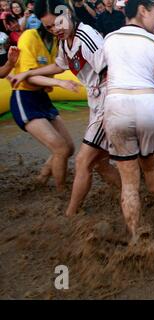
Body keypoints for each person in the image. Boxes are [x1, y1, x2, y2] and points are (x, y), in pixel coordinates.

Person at [11, 0, 121, 216]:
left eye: (58, 23)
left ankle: (70, 214)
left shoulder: (86, 36)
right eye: (50, 27)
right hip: (96, 102)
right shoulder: (64, 42)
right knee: (99, 163)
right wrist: (28, 73)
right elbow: (60, 65)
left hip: (107, 102)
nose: (55, 30)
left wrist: (112, 107)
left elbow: (111, 69)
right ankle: (130, 195)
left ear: (68, 13)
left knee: (82, 161)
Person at [103, 0, 154, 243]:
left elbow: (105, 77)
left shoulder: (109, 39)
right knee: (151, 166)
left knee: (129, 183)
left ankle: (134, 238)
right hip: (148, 104)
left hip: (116, 106)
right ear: (142, 10)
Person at [9, 21, 80, 192]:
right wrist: (59, 83)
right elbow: (27, 77)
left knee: (69, 148)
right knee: (61, 148)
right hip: (24, 97)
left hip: (42, 97)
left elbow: (55, 68)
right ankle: (61, 191)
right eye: (53, 25)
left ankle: (41, 178)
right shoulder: (29, 37)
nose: (58, 29)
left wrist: (52, 82)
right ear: (44, 22)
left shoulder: (57, 42)